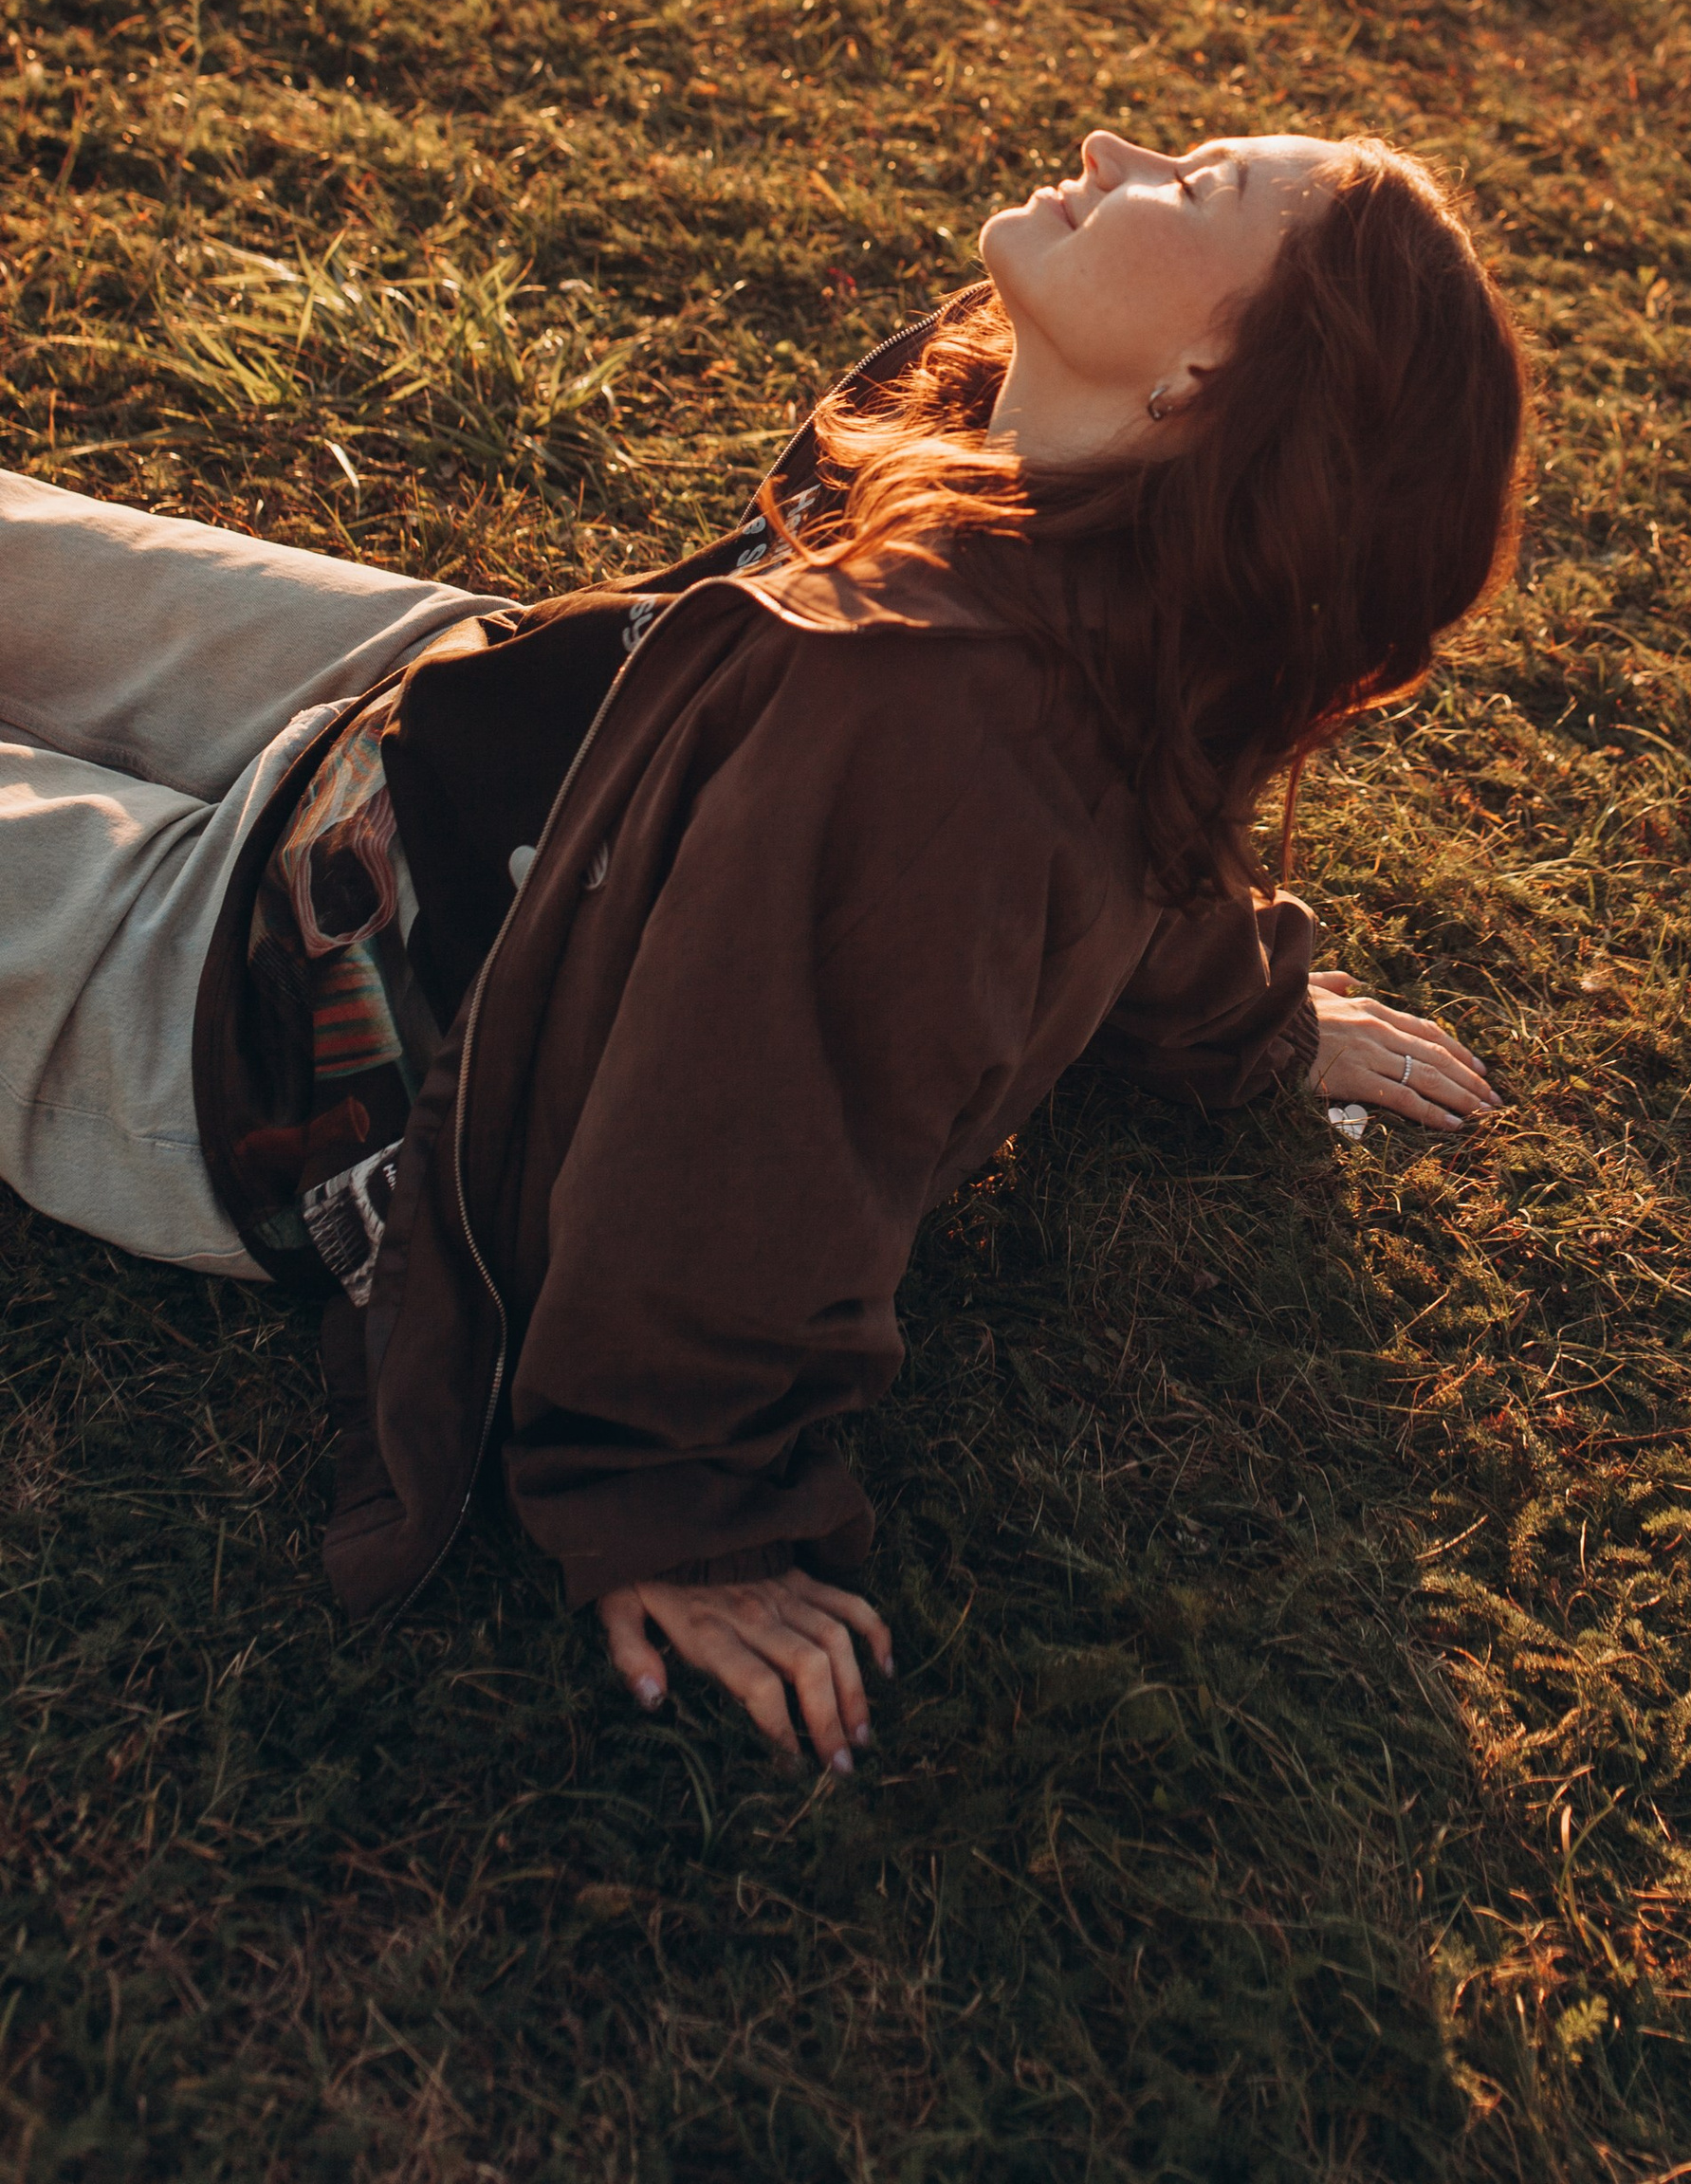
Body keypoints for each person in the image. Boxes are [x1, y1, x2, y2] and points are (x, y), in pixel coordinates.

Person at [0, 126, 1525, 1771]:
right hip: (450, 725)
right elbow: (1171, 865)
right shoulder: (1077, 531)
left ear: (1205, 381)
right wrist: (1260, 1024)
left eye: (1201, 185)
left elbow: (748, 1132)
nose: (1115, 147)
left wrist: (679, 1507)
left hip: (267, 1034)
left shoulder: (931, 737)